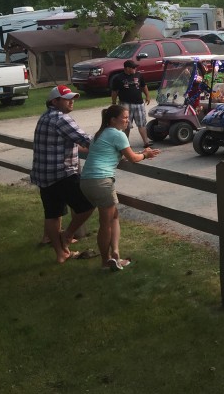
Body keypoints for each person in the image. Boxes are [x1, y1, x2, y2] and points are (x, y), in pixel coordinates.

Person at [80, 105, 160, 270]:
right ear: (113, 120)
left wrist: (137, 154)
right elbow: (133, 158)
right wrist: (146, 154)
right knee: (106, 223)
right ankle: (106, 261)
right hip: (101, 181)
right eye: (124, 118)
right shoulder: (118, 134)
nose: (127, 121)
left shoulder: (100, 133)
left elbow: (113, 153)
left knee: (113, 216)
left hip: (86, 180)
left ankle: (115, 254)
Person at [31, 85, 96, 263]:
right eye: (67, 99)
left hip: (44, 175)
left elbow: (62, 142)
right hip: (62, 173)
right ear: (55, 101)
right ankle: (67, 235)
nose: (71, 102)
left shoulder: (44, 117)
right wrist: (114, 144)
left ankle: (61, 254)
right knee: (88, 204)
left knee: (52, 214)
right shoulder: (61, 118)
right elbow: (87, 140)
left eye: (72, 98)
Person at [111, 60, 152, 147]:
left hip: (139, 103)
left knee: (142, 123)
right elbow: (114, 91)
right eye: (133, 67)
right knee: (126, 125)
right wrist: (114, 102)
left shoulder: (139, 75)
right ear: (127, 68)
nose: (135, 69)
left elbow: (144, 86)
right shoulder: (118, 78)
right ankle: (126, 144)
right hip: (125, 104)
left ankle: (146, 142)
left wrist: (147, 96)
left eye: (135, 67)